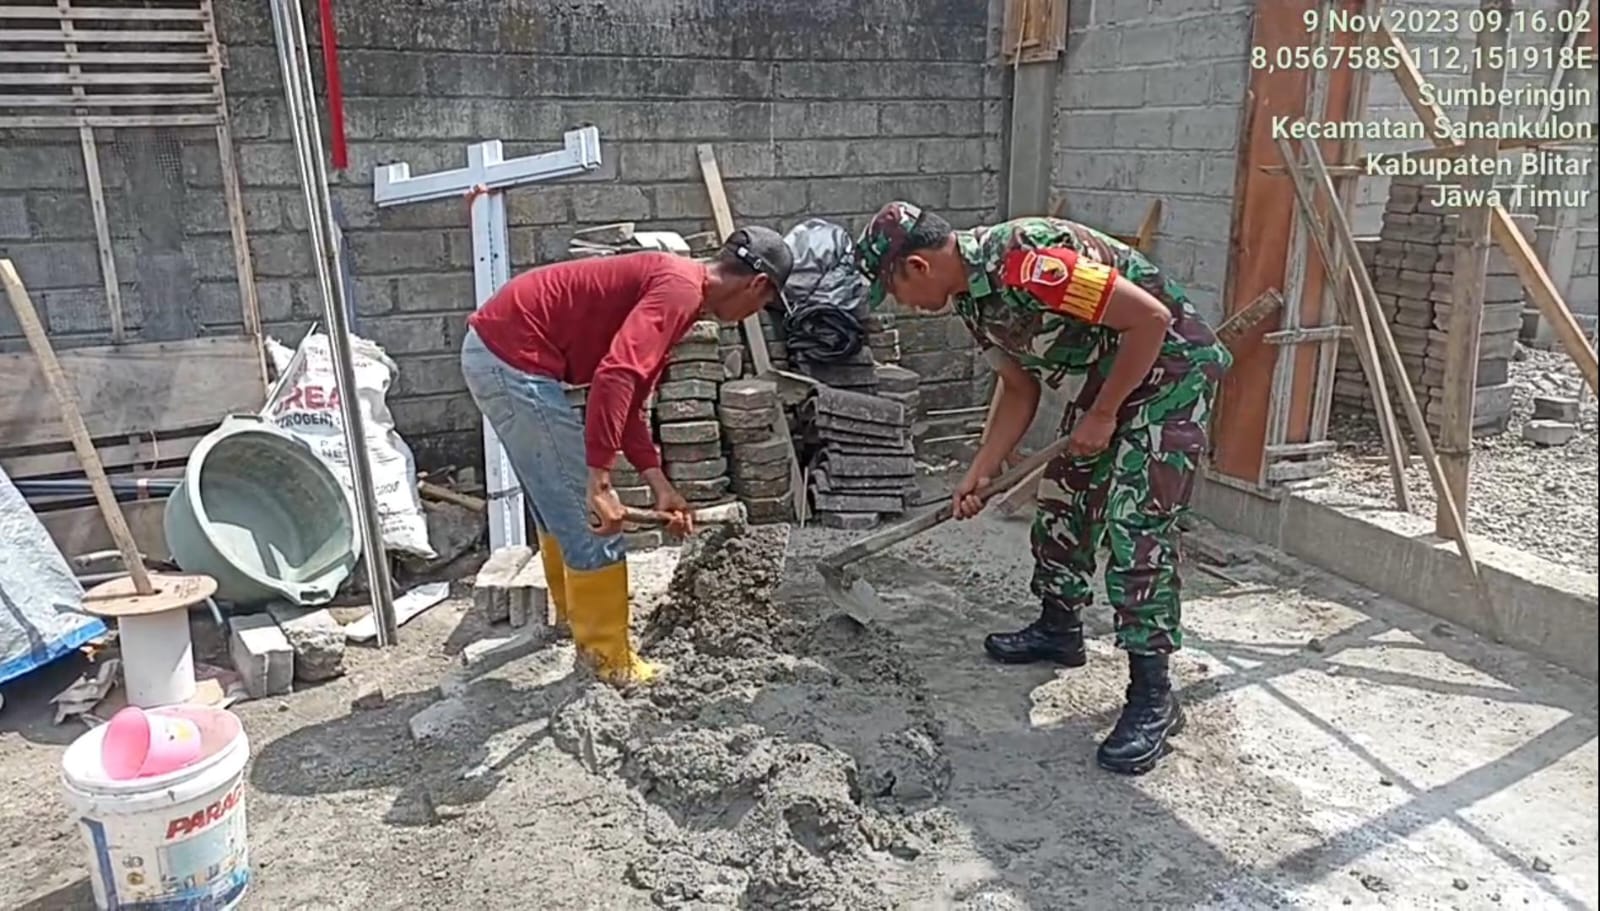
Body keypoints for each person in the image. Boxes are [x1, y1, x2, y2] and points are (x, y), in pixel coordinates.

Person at [854, 201, 1231, 775]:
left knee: (1136, 523)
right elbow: (1018, 386)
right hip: (1115, 375)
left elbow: (1151, 320)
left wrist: (1102, 414)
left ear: (917, 266)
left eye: (895, 290)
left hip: (1170, 372)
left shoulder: (1028, 263)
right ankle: (1059, 627)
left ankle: (1154, 697)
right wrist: (983, 467)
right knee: (1063, 497)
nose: (902, 305)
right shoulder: (973, 300)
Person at [460, 227, 793, 686]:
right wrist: (599, 483)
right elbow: (615, 375)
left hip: (500, 351)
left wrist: (660, 485)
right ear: (757, 285)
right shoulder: (679, 289)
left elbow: (629, 397)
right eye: (764, 304)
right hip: (513, 359)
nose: (753, 315)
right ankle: (609, 661)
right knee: (594, 520)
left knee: (559, 502)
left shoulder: (680, 289)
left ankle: (571, 621)